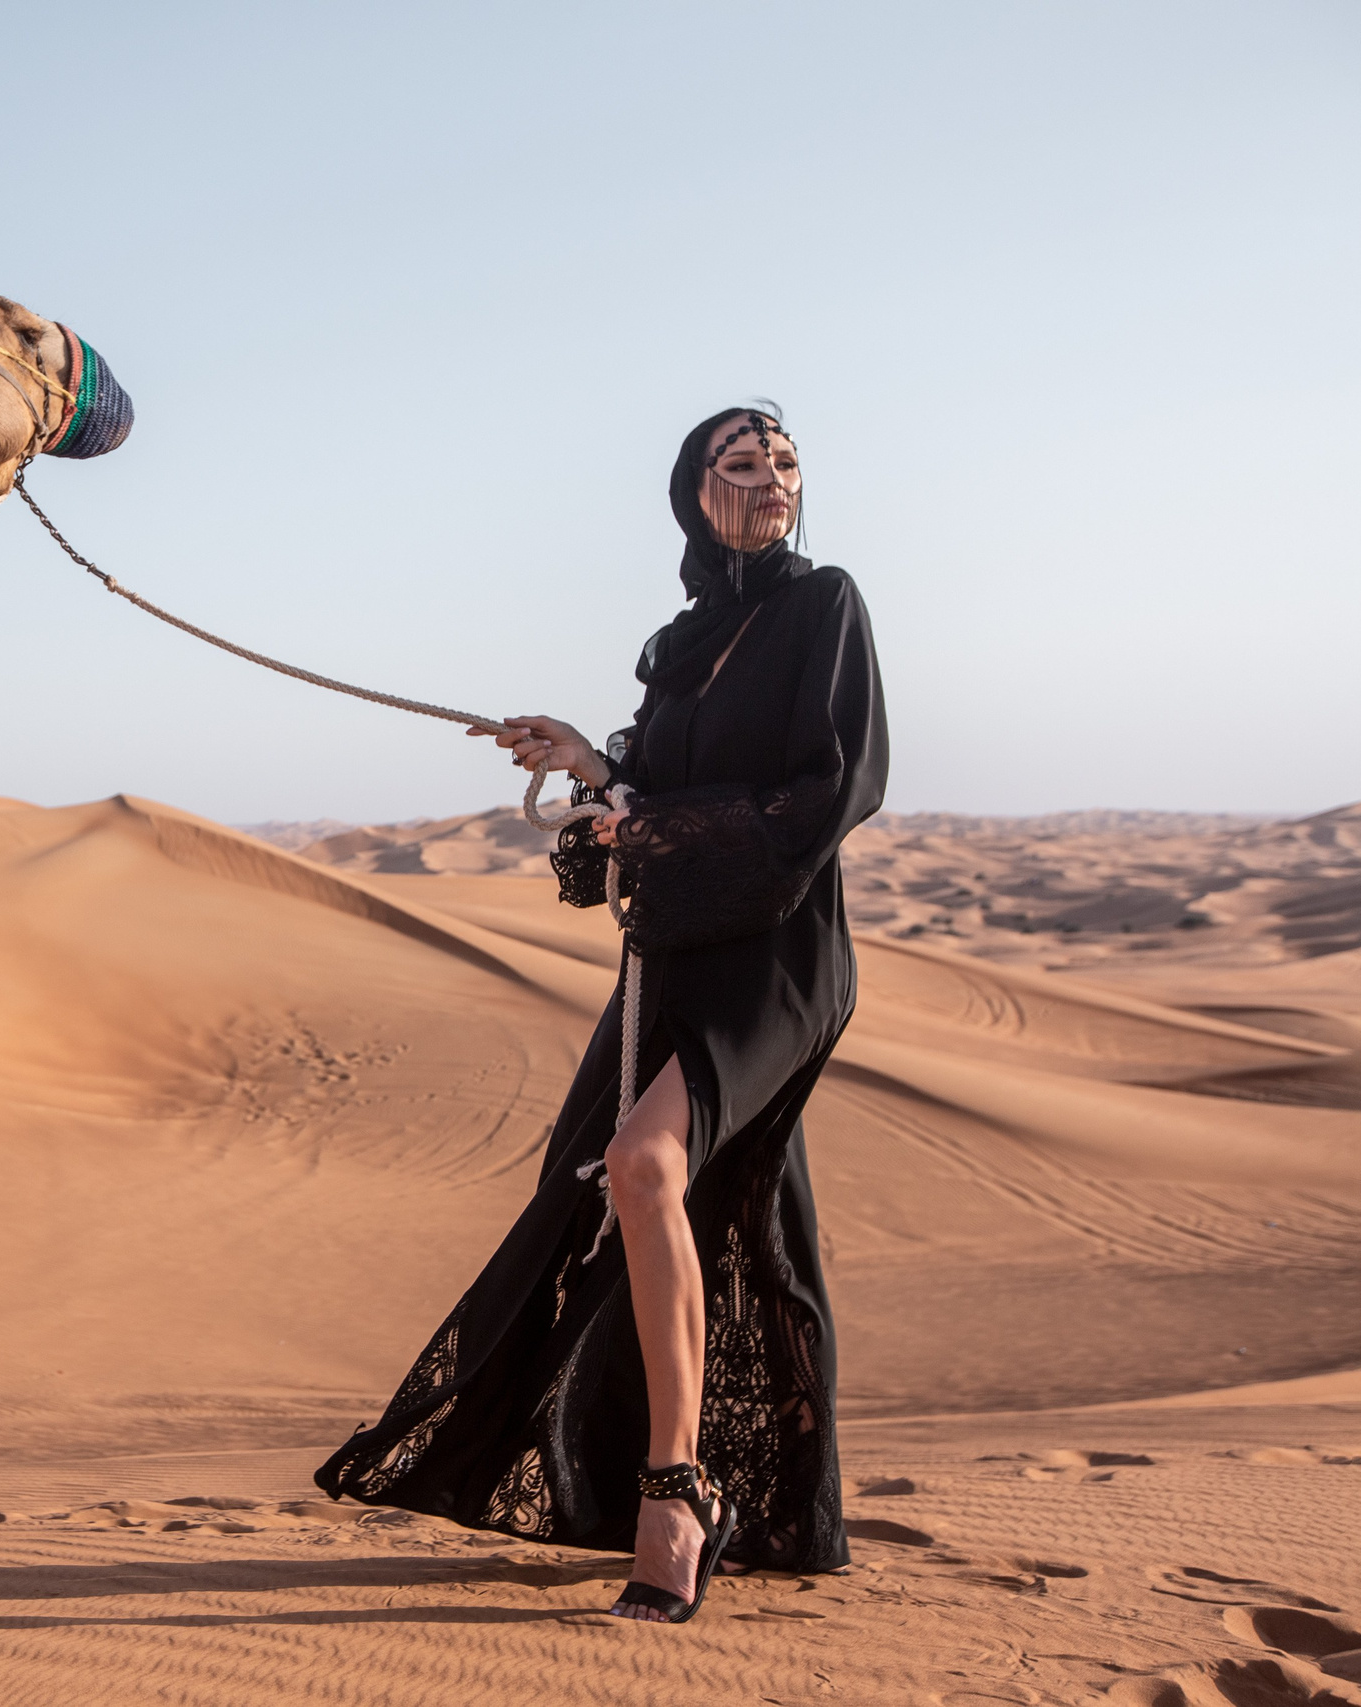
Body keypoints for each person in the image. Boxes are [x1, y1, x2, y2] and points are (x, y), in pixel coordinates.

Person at [314, 404, 888, 1623]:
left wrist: (655, 824)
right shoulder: (679, 647)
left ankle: (675, 1492)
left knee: (642, 1165)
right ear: (695, 494)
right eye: (741, 465)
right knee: (692, 1205)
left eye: (784, 462)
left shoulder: (821, 604)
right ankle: (758, 1494)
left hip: (780, 954)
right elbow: (655, 790)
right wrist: (590, 768)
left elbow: (833, 783)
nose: (771, 479)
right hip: (673, 954)